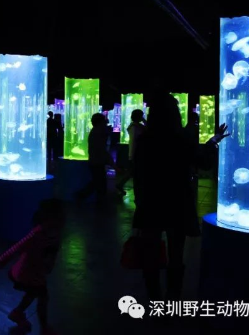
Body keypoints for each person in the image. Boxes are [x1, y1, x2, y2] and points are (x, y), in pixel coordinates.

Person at [132, 92, 229, 301]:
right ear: (175, 114)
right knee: (176, 253)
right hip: (177, 202)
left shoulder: (145, 140)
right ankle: (173, 297)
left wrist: (139, 202)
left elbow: (138, 174)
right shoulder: (181, 139)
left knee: (150, 253)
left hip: (150, 203)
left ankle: (154, 299)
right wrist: (213, 141)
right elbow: (203, 162)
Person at [0, 199, 64, 335]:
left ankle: (18, 312)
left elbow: (51, 253)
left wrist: (48, 265)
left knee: (33, 293)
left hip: (35, 273)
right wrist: (2, 260)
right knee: (43, 297)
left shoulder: (54, 234)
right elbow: (18, 246)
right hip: (28, 273)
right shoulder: (37, 234)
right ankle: (44, 328)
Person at [76, 113, 115, 200]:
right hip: (97, 161)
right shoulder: (98, 132)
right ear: (100, 122)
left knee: (97, 181)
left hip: (95, 160)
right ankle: (81, 196)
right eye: (104, 120)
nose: (106, 122)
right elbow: (101, 148)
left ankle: (81, 195)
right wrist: (110, 161)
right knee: (99, 183)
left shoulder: (95, 131)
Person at [115, 109, 146, 195]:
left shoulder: (137, 126)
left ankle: (120, 184)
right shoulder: (134, 127)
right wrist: (131, 155)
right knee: (134, 171)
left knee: (132, 171)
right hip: (136, 153)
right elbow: (133, 142)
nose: (142, 117)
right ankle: (122, 185)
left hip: (137, 153)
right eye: (141, 116)